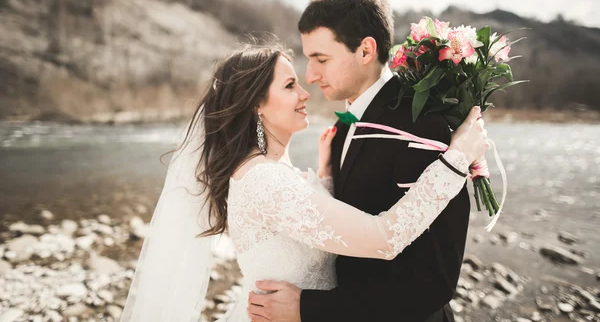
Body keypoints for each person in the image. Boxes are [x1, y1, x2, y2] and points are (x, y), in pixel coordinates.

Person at [120, 40, 487, 322]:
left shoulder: (270, 172)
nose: (305, 92)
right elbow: (384, 239)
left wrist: (326, 175)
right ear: (257, 105)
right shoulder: (264, 181)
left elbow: (305, 223)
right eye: (291, 85)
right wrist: (455, 161)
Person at [248, 0, 481, 322]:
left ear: (366, 50)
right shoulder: (342, 127)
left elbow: (433, 282)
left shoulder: (421, 124)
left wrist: (310, 308)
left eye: (321, 59)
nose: (310, 76)